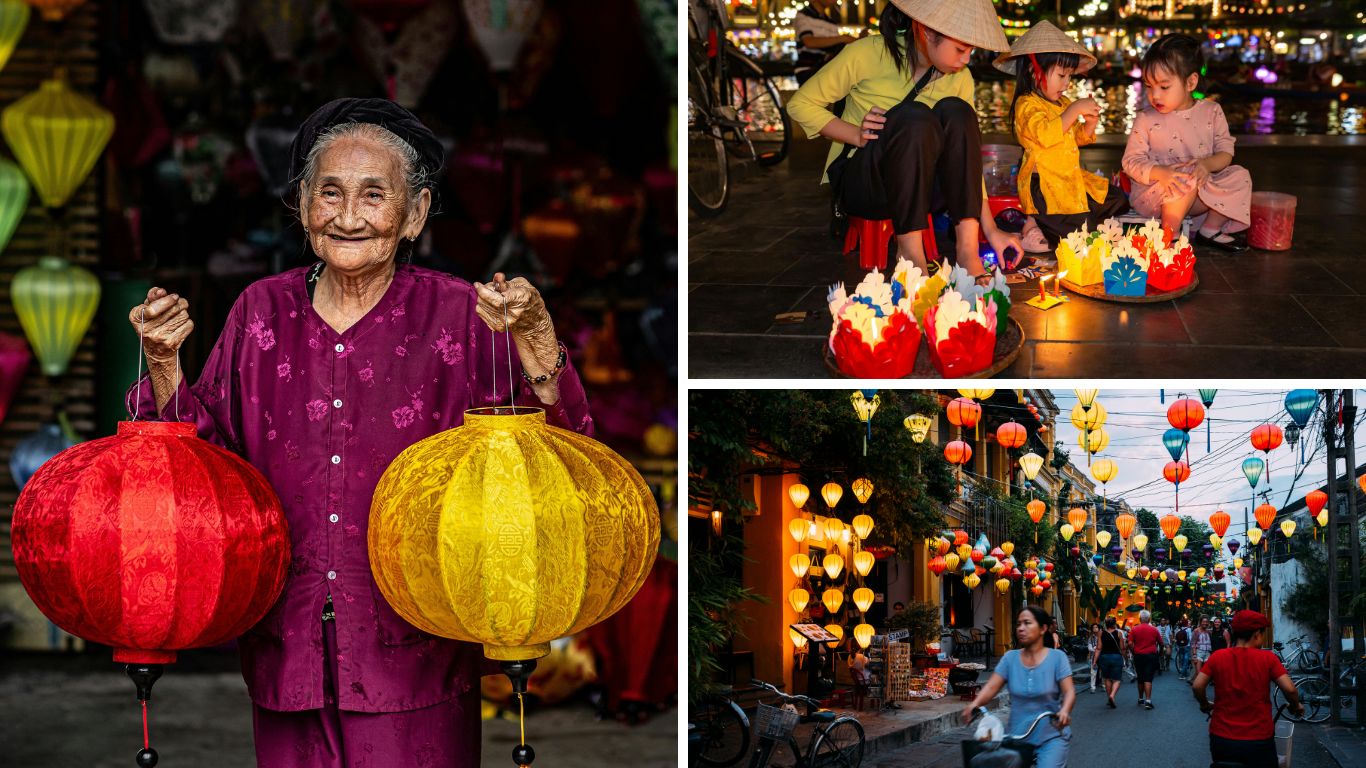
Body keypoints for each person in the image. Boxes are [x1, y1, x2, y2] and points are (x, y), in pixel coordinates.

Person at [126, 98, 592, 768]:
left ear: (415, 214)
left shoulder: (460, 314)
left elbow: (556, 458)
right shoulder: (261, 312)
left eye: (374, 195)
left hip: (416, 650)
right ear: (302, 207)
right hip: (288, 645)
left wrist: (537, 341)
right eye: (330, 193)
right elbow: (206, 477)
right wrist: (165, 366)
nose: (347, 217)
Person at [786, 0, 1022, 278]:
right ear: (926, 32)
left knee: (959, 113)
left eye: (971, 50)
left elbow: (965, 158)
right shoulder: (868, 53)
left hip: (923, 192)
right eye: (960, 49)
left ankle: (967, 252)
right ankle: (910, 254)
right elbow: (800, 104)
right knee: (913, 117)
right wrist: (855, 134)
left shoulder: (961, 78)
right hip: (868, 184)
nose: (966, 58)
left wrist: (991, 229)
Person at [994, 21, 1128, 250]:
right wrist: (1074, 110)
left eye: (1069, 77)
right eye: (1062, 75)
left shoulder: (1062, 103)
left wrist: (1089, 125)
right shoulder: (1026, 105)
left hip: (1069, 181)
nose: (1066, 84)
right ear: (1033, 70)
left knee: (1118, 199)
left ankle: (1047, 223)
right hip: (1044, 187)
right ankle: (1033, 224)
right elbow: (1046, 135)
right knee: (1080, 235)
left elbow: (1076, 137)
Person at [1122, 34, 1253, 252]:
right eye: (1148, 86)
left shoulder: (1211, 112)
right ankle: (1168, 235)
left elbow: (1225, 153)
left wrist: (1206, 166)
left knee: (1240, 176)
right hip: (1156, 195)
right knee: (1184, 178)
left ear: (1190, 82)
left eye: (1164, 87)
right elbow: (1130, 161)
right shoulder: (1146, 118)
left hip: (1201, 193)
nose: (1155, 95)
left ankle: (1210, 229)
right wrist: (1161, 172)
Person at [961, 606, 1075, 768]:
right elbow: (992, 687)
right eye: (1019, 624)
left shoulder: (1057, 658)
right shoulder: (1010, 658)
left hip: (1051, 734)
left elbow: (1069, 691)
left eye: (1027, 623)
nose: (1021, 628)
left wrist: (1064, 711)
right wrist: (975, 704)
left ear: (1043, 628)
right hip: (1017, 736)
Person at [1193, 610, 1305, 768]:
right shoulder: (1268, 659)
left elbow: (1198, 686)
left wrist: (1204, 704)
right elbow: (1291, 690)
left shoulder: (1218, 656)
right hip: (1259, 738)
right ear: (1257, 634)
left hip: (1222, 737)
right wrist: (1295, 706)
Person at [792, 0, 858, 85]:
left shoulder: (831, 22)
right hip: (809, 69)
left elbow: (836, 47)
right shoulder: (803, 16)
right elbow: (809, 42)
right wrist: (842, 38)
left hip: (826, 69)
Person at [1128, 610, 1162, 709]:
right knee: (1148, 678)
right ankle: (1148, 701)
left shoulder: (1134, 629)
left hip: (1138, 656)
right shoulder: (1154, 630)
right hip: (1151, 656)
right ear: (1149, 619)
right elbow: (1161, 643)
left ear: (1139, 619)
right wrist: (1160, 653)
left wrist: (1133, 651)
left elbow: (1130, 643)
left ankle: (1140, 698)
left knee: (1140, 678)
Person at [1094, 616, 1126, 708]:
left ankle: (1109, 697)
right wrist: (1126, 659)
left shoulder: (1101, 634)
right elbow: (1122, 648)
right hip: (1116, 657)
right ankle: (1112, 695)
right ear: (1114, 624)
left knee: (1107, 678)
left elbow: (1098, 648)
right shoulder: (1119, 633)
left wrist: (1094, 660)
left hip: (1104, 658)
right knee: (1117, 679)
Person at [1191, 616, 1213, 682]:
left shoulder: (1209, 632)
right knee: (1198, 673)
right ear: (1200, 622)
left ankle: (1194, 682)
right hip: (1199, 653)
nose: (1205, 623)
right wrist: (1194, 655)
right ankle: (1197, 687)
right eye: (1203, 621)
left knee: (1206, 674)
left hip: (1207, 653)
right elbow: (1193, 643)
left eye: (1206, 622)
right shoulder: (1196, 631)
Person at [1086, 623, 1101, 693]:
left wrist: (1097, 649)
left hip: (1101, 656)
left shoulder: (1102, 637)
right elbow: (1089, 648)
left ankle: (1104, 685)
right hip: (1094, 656)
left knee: (1103, 671)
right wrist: (1096, 649)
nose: (1095, 629)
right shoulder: (1091, 638)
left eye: (1096, 627)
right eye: (1093, 627)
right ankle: (1092, 687)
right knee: (1093, 672)